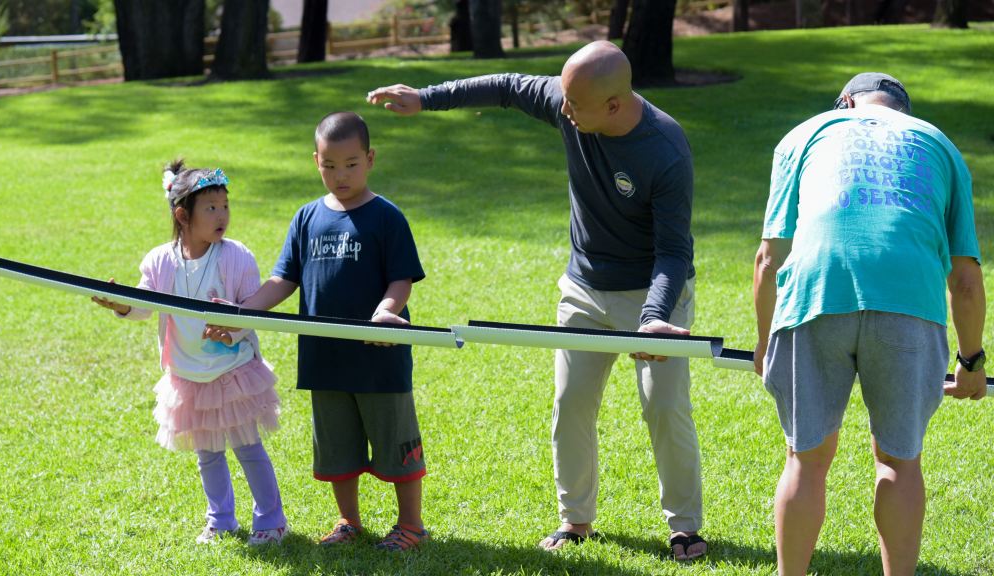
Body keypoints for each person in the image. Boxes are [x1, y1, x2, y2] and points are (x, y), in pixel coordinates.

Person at [367, 40, 706, 560]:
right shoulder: (573, 101)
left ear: (614, 105)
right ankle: (575, 520)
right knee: (570, 405)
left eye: (575, 105)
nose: (563, 110)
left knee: (665, 408)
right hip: (585, 289)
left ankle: (685, 528)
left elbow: (674, 251)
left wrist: (654, 317)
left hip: (652, 298)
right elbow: (505, 86)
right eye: (563, 98)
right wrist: (427, 98)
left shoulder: (665, 149)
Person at [753, 72, 987, 576]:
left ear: (845, 102)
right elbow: (966, 280)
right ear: (903, 112)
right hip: (909, 303)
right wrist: (971, 361)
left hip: (815, 298)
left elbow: (769, 259)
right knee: (899, 461)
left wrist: (764, 341)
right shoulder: (939, 145)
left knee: (805, 459)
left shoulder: (805, 134)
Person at [228, 112, 430, 552]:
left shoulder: (386, 217)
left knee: (397, 444)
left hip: (380, 359)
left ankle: (411, 525)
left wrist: (386, 311)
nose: (341, 175)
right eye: (329, 165)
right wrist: (242, 313)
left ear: (370, 159)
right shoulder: (306, 217)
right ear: (315, 162)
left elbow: (402, 279)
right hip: (325, 360)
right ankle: (348, 521)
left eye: (351, 164)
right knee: (337, 449)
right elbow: (283, 280)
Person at [92, 160, 288, 546]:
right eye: (211, 208)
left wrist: (231, 329)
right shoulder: (160, 261)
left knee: (248, 448)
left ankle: (271, 521)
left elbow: (252, 309)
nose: (222, 215)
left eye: (225, 205)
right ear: (183, 216)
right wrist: (121, 304)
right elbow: (144, 305)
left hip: (232, 370)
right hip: (188, 374)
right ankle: (221, 520)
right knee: (208, 453)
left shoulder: (236, 256)